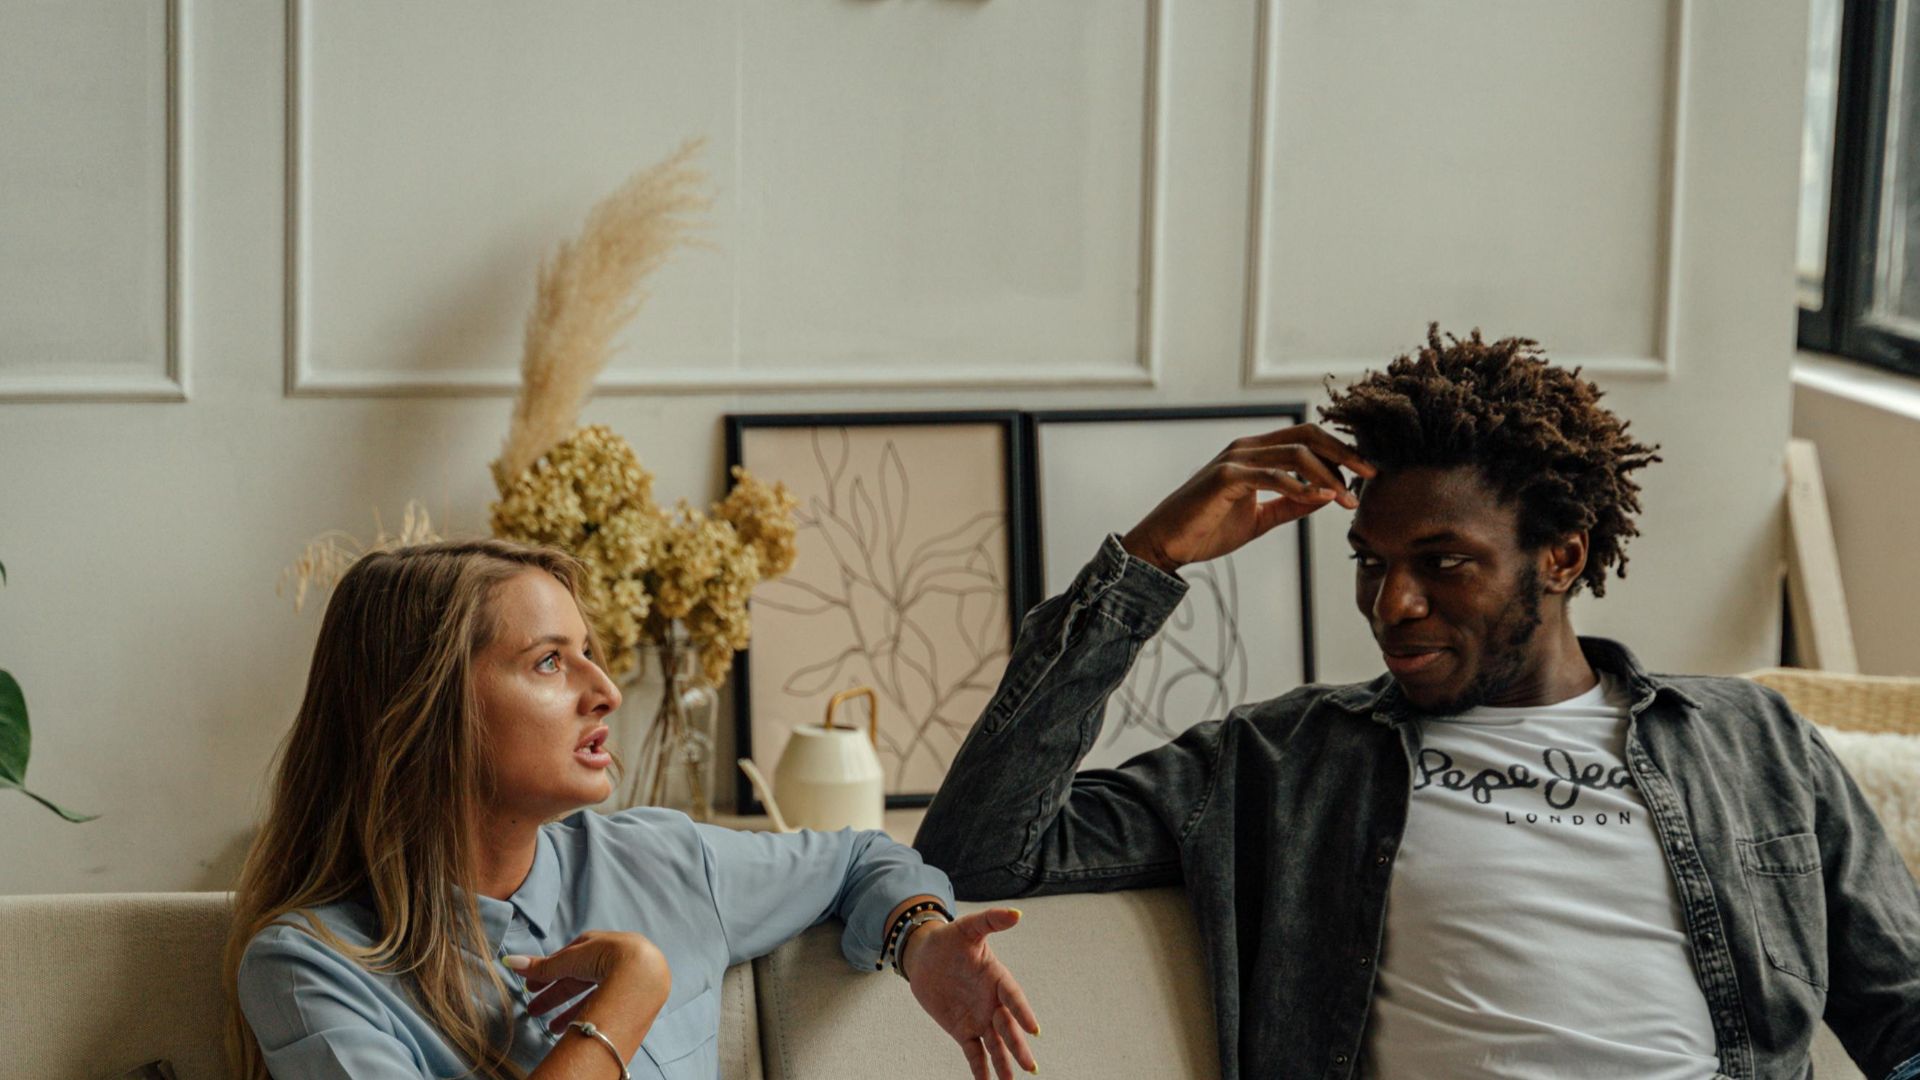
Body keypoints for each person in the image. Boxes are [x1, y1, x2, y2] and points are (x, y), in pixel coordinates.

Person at [916, 326, 1920, 1080]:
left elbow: (1903, 1011)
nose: (1393, 603)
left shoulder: (1753, 742)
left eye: (1442, 564)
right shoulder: (1283, 761)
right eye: (1373, 564)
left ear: (1561, 557)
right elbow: (982, 851)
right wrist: (1148, 561)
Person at [225, 539, 1041, 1080]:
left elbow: (861, 859)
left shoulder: (662, 859)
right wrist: (630, 995)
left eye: (591, 654)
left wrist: (919, 938)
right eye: (550, 661)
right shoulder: (312, 967)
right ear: (426, 705)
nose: (605, 692)